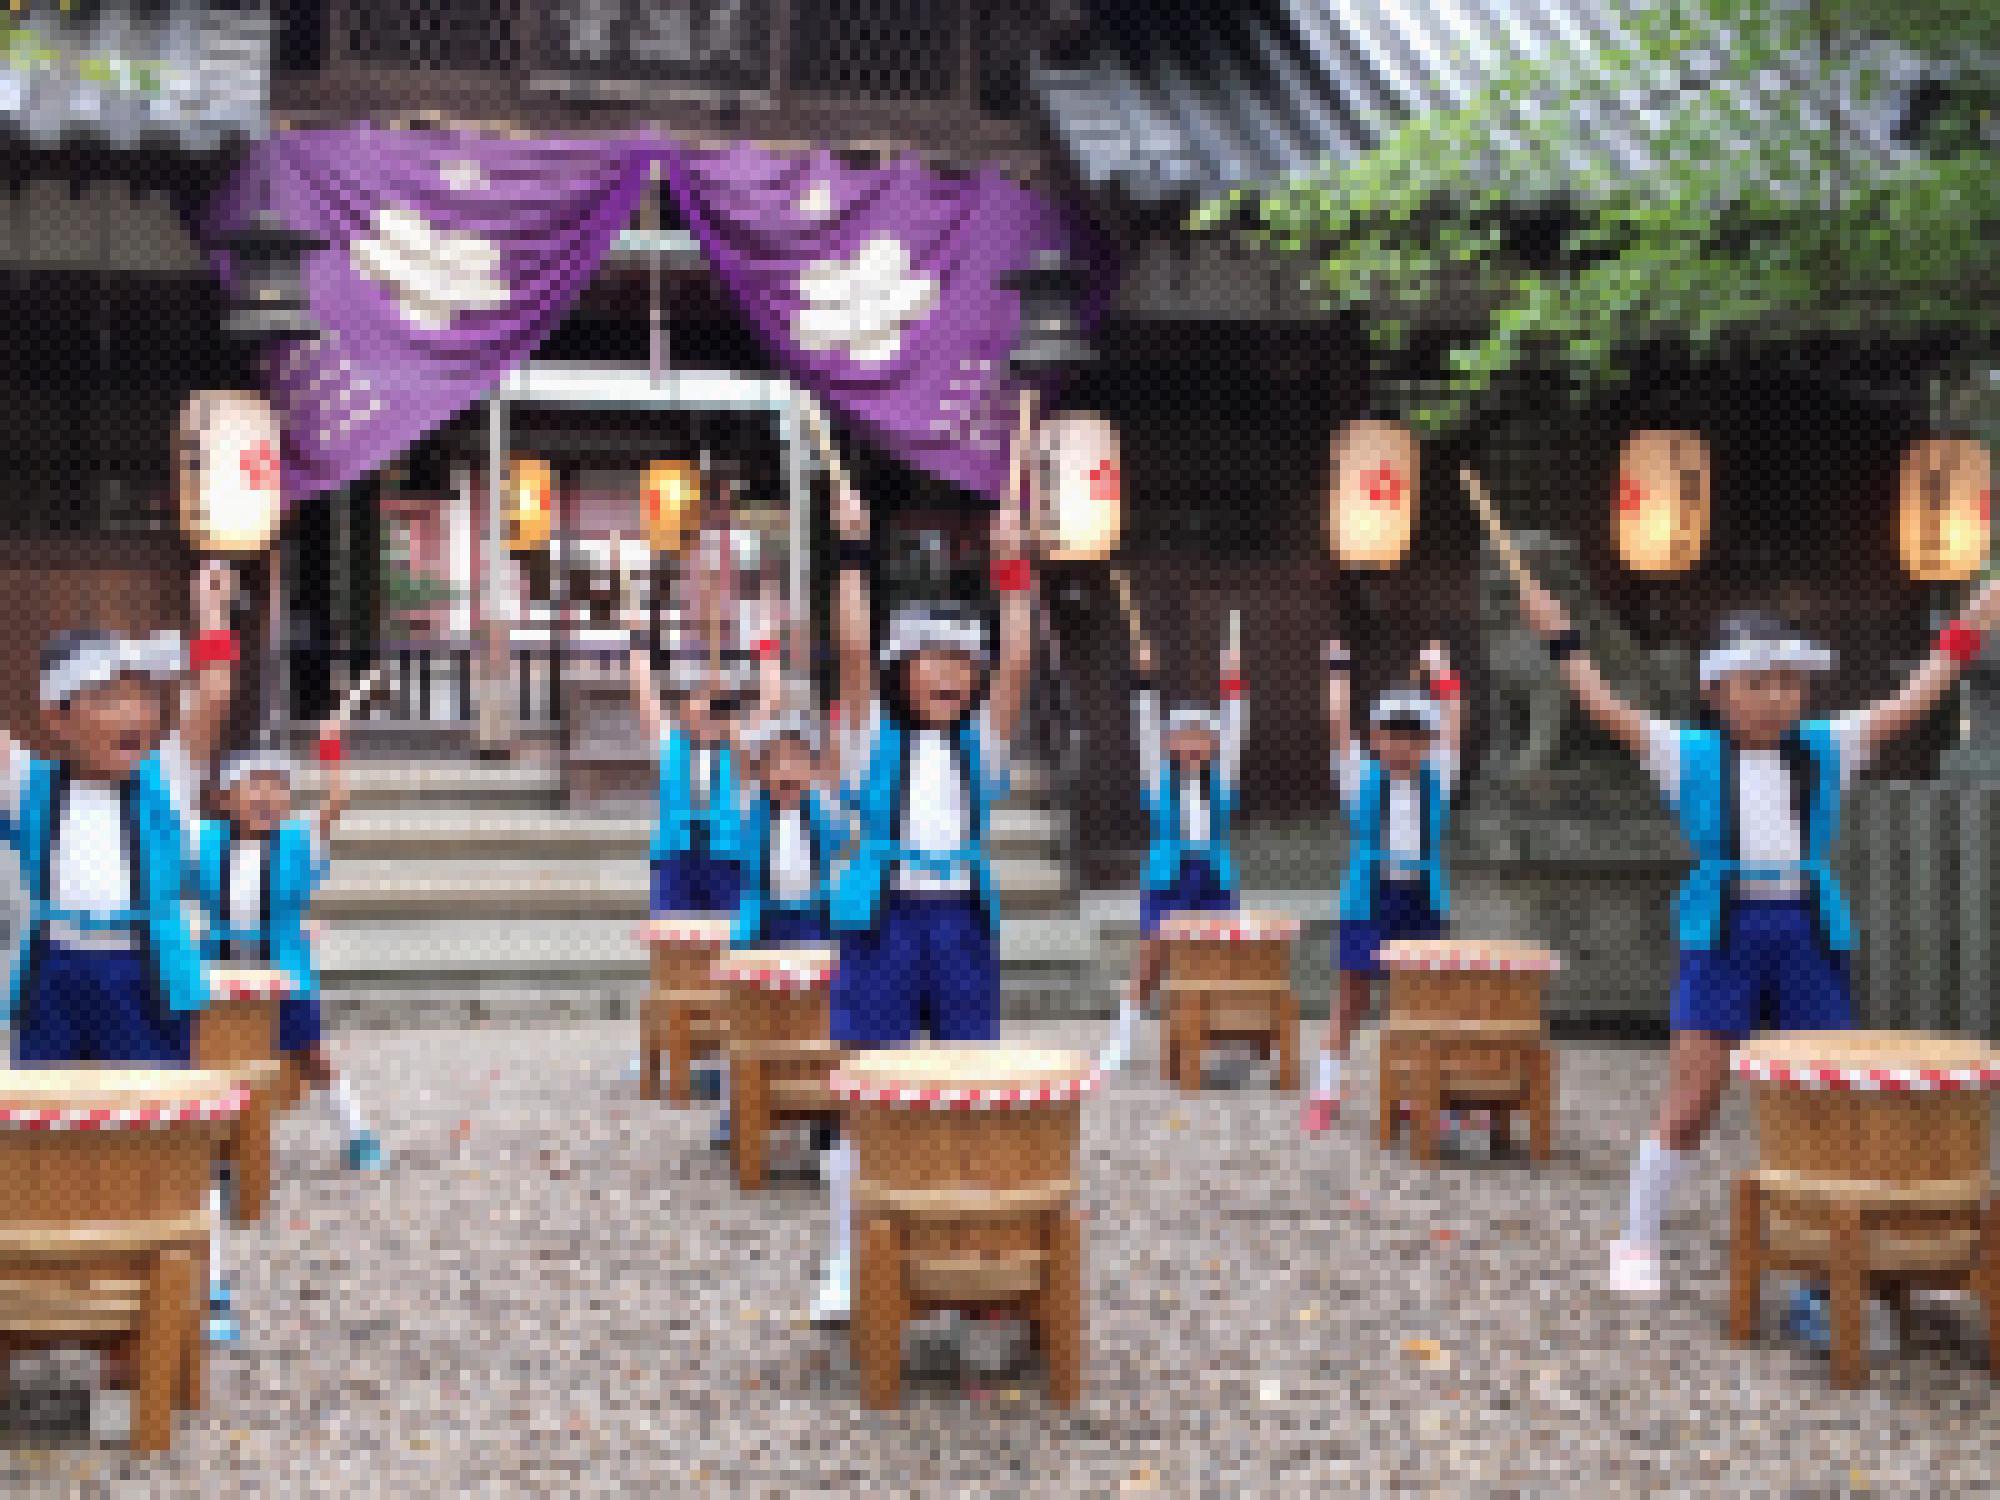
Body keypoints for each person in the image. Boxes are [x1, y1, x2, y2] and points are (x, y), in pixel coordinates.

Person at [1515, 574, 2000, 1311]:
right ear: (1716, 692)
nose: (1777, 697)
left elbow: (1915, 700)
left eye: (1789, 682)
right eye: (1757, 682)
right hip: (1724, 932)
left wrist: (1970, 627)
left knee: (1831, 1099)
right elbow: (1603, 706)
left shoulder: (1828, 746)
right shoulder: (1688, 755)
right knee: (1694, 1097)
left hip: (1807, 930)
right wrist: (1558, 635)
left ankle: (1844, 1264)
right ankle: (1638, 1236)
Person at [808, 466, 1033, 1326]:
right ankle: (843, 1257)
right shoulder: (867, 742)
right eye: (932, 659)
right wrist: (855, 550)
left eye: (960, 662)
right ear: (904, 672)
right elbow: (855, 650)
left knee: (968, 1081)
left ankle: (960, 1250)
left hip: (961, 924)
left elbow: (1016, 659)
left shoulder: (984, 746)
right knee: (859, 1082)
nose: (952, 672)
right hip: (884, 919)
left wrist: (1014, 570)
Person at [1, 562, 239, 1364]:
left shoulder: (168, 777)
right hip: (56, 973)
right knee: (44, 1126)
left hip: (145, 973)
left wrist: (210, 614)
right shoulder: (27, 783)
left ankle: (201, 1280)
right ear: (58, 717)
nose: (135, 713)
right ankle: (55, 1277)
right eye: (108, 698)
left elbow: (209, 701)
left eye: (141, 696)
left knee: (169, 1126)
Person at [197, 726, 381, 1173]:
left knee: (311, 1054)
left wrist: (331, 750)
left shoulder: (298, 842)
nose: (267, 795)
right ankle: (221, 1147)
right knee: (214, 1058)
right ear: (224, 799)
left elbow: (336, 802)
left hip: (285, 968)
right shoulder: (203, 841)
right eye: (253, 785)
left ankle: (357, 1131)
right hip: (220, 971)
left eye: (277, 786)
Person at [1302, 641, 1464, 1135]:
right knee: (1351, 995)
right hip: (1369, 898)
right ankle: (1326, 1090)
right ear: (1374, 738)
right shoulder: (1357, 776)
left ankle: (1420, 1092)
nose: (1403, 746)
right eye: (1393, 735)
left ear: (1429, 743)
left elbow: (1456, 718)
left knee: (1419, 1000)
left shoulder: (1439, 776)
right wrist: (1338, 668)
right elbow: (1335, 723)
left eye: (1415, 737)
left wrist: (1442, 674)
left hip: (1419, 897)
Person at [1100, 630, 1245, 1075]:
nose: (1193, 743)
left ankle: (1207, 1040)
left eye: (1202, 736)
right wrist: (1144, 680)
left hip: (1213, 873)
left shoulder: (1224, 779)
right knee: (1151, 958)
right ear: (1169, 743)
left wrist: (1232, 679)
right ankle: (1121, 1040)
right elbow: (1144, 728)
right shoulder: (1156, 777)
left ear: (1214, 744)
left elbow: (1236, 724)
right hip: (1169, 873)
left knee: (1216, 959)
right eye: (1183, 735)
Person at [734, 711, 845, 950]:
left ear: (814, 769)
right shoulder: (750, 818)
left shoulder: (828, 816)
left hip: (817, 919)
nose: (785, 770)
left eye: (796, 760)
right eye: (774, 762)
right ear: (760, 773)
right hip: (767, 921)